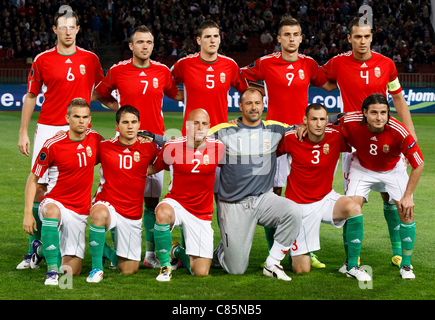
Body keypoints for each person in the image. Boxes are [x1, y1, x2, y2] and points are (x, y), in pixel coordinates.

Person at [319, 16, 417, 267]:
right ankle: (353, 258)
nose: (362, 41)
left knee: (389, 196)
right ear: (349, 38)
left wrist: (411, 135)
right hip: (352, 141)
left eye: (367, 36)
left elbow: (398, 100)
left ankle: (397, 251)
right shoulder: (338, 63)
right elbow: (322, 80)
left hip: (385, 138)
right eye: (357, 37)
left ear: (372, 37)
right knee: (351, 202)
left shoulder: (386, 65)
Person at [240, 15, 337, 268]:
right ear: (279, 38)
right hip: (275, 138)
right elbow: (240, 78)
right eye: (287, 34)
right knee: (274, 194)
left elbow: (327, 84)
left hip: (304, 136)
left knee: (304, 196)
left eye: (296, 34)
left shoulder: (309, 63)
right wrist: (257, 96)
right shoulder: (265, 63)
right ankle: (276, 251)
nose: (292, 38)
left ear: (301, 38)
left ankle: (304, 247)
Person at [16, 6, 106, 270]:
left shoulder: (91, 59)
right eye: (62, 27)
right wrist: (23, 131)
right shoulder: (42, 59)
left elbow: (100, 93)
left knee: (77, 178)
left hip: (80, 128)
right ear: (55, 30)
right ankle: (35, 248)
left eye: (72, 27)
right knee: (40, 185)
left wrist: (122, 110)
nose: (68, 31)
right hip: (48, 127)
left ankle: (65, 238)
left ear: (78, 29)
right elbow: (31, 95)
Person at [93, 25, 181, 268]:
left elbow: (176, 95)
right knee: (118, 200)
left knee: (152, 202)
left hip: (154, 145)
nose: (145, 46)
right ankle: (118, 252)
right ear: (131, 46)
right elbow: (99, 93)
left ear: (153, 45)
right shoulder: (118, 70)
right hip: (125, 144)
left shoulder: (163, 71)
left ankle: (151, 254)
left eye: (149, 42)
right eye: (140, 42)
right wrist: (119, 110)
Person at [209, 88, 302, 281]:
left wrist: (306, 125)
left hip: (263, 199)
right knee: (236, 270)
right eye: (249, 103)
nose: (254, 107)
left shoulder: (275, 129)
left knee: (293, 211)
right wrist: (156, 138)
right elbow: (193, 141)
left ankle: (273, 263)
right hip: (234, 204)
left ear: (263, 105)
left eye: (257, 103)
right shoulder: (224, 131)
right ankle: (220, 252)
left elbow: (311, 124)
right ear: (240, 106)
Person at [336, 93, 424, 279]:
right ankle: (351, 264)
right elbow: (326, 122)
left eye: (383, 112)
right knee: (351, 208)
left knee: (406, 211)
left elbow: (419, 163)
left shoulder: (399, 131)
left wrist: (408, 196)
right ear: (364, 113)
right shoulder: (350, 121)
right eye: (374, 113)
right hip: (362, 167)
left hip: (393, 169)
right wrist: (304, 126)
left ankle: (406, 266)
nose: (379, 117)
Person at [278, 103, 369, 281]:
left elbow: (358, 122)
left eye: (322, 119)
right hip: (299, 207)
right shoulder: (291, 138)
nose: (318, 124)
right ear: (305, 121)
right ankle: (290, 246)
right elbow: (270, 153)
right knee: (301, 270)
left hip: (325, 198)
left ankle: (352, 266)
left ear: (327, 120)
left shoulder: (336, 137)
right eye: (313, 119)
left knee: (353, 208)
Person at [22, 98, 103, 285]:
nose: (81, 121)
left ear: (89, 119)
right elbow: (33, 179)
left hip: (79, 211)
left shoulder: (95, 139)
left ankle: (39, 249)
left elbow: (115, 149)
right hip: (55, 201)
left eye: (84, 117)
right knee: (51, 211)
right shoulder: (53, 144)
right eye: (76, 116)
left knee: (72, 271)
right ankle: (51, 272)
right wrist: (28, 213)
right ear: (67, 118)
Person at [147, 109, 225, 282]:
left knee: (201, 272)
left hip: (201, 212)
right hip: (177, 203)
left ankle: (176, 250)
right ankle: (165, 267)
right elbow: (153, 168)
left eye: (204, 124)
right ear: (187, 125)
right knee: (162, 213)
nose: (200, 127)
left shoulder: (218, 147)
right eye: (195, 123)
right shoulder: (172, 146)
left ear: (209, 127)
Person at [86, 105, 158, 283]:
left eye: (134, 122)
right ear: (117, 125)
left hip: (132, 212)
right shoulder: (104, 147)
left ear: (139, 124)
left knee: (129, 270)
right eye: (125, 122)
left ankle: (105, 251)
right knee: (98, 214)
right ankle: (96, 269)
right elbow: (80, 152)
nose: (130, 126)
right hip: (107, 203)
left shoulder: (149, 149)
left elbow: (168, 158)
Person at [171, 20, 249, 135]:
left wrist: (242, 119)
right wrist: (176, 94)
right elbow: (163, 81)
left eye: (216, 36)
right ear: (199, 40)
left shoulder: (230, 65)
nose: (213, 40)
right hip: (191, 135)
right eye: (207, 36)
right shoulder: (184, 64)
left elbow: (247, 93)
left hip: (220, 134)